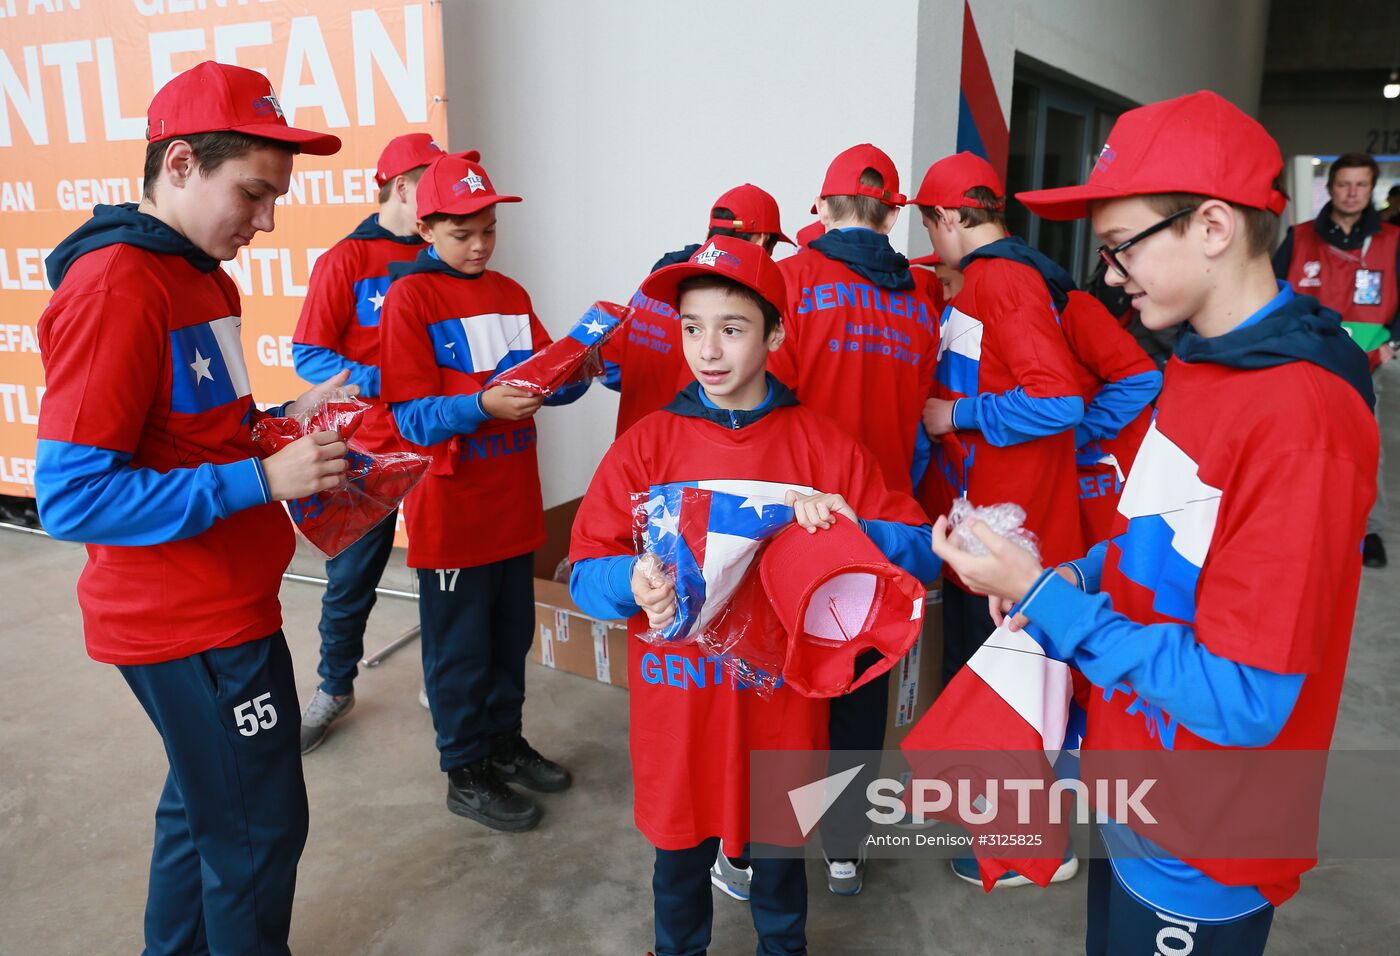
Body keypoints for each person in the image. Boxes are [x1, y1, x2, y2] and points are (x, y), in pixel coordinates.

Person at [941, 89, 1377, 956]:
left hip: (1206, 830)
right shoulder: (1202, 364)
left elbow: (1245, 697)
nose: (1109, 273)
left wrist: (1047, 599)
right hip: (1136, 778)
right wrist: (1069, 577)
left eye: (1121, 247)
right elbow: (1161, 538)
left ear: (1213, 226)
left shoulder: (1302, 418)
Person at [34, 61, 345, 955]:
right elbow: (73, 495)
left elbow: (200, 429)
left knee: (207, 805)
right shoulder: (119, 287)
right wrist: (261, 481)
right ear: (178, 164)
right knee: (256, 832)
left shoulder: (202, 276)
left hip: (225, 602)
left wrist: (277, 427)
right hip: (189, 625)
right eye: (252, 193)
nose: (268, 219)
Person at [568, 235, 936, 955]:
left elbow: (920, 550)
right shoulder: (647, 447)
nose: (708, 350)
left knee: (778, 872)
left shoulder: (822, 448)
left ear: (775, 334)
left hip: (783, 716)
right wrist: (630, 582)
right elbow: (584, 570)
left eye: (732, 329)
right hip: (678, 710)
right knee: (677, 867)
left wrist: (857, 530)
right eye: (692, 327)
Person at [378, 152, 586, 832]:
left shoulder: (512, 294)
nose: (479, 245)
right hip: (453, 512)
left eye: (489, 230)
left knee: (507, 637)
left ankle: (504, 744)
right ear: (426, 227)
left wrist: (584, 367)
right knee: (459, 651)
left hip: (511, 504)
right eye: (463, 233)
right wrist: (482, 406)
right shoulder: (410, 298)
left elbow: (547, 375)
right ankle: (464, 769)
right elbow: (409, 417)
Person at [766, 143, 943, 895]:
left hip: (797, 522)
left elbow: (761, 408)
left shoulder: (791, 282)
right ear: (893, 212)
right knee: (861, 678)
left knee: (783, 685)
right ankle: (844, 847)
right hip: (883, 525)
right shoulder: (919, 300)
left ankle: (761, 847)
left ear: (823, 207)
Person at [291, 133, 462, 753]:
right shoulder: (345, 259)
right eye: (432, 182)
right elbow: (308, 353)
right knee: (352, 578)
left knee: (446, 573)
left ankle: (445, 684)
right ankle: (335, 685)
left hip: (439, 443)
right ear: (403, 188)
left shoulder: (444, 256)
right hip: (366, 448)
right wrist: (384, 380)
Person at [911, 151, 1085, 685]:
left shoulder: (1006, 280)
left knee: (994, 716)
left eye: (929, 227)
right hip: (991, 540)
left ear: (944, 217)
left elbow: (1059, 402)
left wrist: (955, 414)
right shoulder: (990, 277)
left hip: (1014, 548)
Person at [1273, 152, 1397, 567]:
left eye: (1361, 185)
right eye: (1344, 184)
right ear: (1331, 186)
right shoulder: (1300, 235)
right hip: (1303, 359)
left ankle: (1369, 531)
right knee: (1296, 443)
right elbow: (1272, 291)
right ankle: (1295, 521)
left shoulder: (1392, 240)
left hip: (1365, 362)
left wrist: (1393, 343)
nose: (1351, 192)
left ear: (1371, 188)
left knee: (1365, 447)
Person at [603, 183, 793, 437]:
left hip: (637, 445)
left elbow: (611, 366)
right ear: (762, 240)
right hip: (694, 452)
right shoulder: (746, 312)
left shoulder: (651, 288)